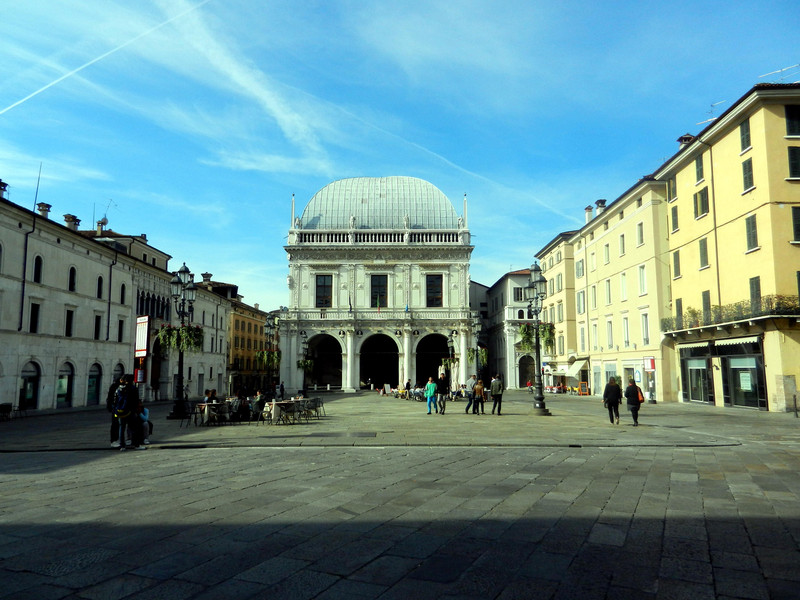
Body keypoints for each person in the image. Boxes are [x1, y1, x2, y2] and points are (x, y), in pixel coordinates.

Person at [116, 374, 145, 451]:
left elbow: (116, 399)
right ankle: (136, 444)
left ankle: (122, 446)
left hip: (121, 411)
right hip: (130, 411)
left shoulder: (119, 388)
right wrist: (136, 410)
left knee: (121, 428)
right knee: (134, 428)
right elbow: (136, 400)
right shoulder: (133, 388)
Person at [107, 377, 123, 447]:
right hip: (116, 409)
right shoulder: (116, 387)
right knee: (116, 423)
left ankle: (116, 439)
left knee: (118, 423)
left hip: (117, 409)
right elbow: (111, 398)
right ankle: (114, 440)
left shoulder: (115, 387)